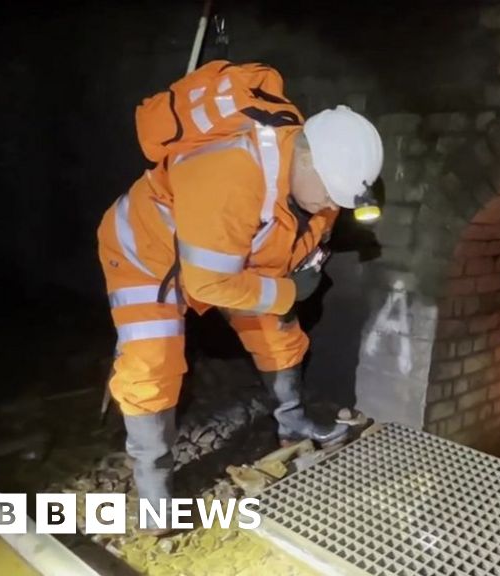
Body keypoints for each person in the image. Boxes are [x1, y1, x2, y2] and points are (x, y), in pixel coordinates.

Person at [95, 61, 383, 532]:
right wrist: (288, 290)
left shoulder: (314, 182)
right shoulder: (230, 173)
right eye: (329, 194)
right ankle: (153, 495)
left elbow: (284, 246)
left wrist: (291, 283)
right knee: (152, 363)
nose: (332, 206)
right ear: (306, 158)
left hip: (231, 253)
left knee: (278, 333)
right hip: (147, 255)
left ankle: (293, 425)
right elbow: (208, 283)